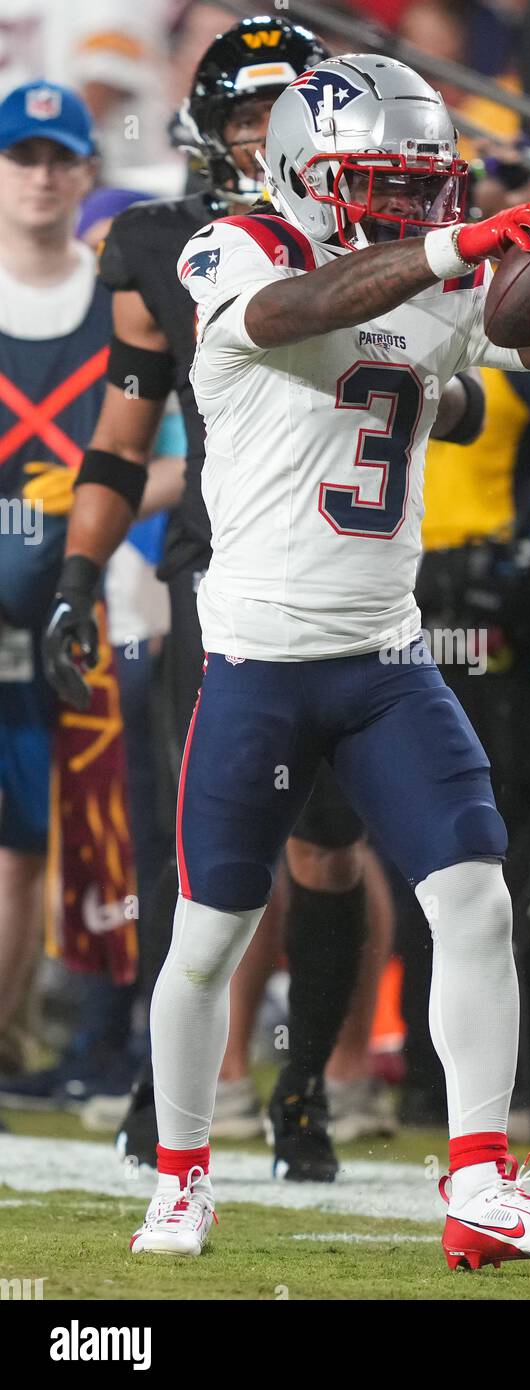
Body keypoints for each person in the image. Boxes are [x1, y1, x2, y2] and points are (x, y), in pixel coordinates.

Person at [55, 51, 530, 1263]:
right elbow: (293, 315)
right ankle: (182, 1176)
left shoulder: (431, 272)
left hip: (385, 661)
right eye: (381, 183)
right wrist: (448, 254)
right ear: (306, 172)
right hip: (257, 662)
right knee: (208, 935)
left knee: (471, 898)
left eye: (423, 187)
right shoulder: (235, 250)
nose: (410, 208)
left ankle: (478, 1186)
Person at [42, 15, 486, 1178]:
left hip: (350, 574)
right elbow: (119, 437)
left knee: (334, 852)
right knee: (195, 862)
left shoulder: (389, 233)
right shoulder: (168, 244)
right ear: (211, 133)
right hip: (222, 575)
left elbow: (470, 396)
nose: (259, 139)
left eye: (276, 116)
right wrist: (81, 573)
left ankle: (306, 1087)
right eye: (242, 119)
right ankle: (172, 1094)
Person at [0, 81, 103, 1090]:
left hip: (83, 605)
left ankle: (21, 1041)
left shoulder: (118, 298)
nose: (38, 175)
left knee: (38, 840)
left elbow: (180, 453)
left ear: (85, 171)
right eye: (20, 156)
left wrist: (93, 488)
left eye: (56, 157)